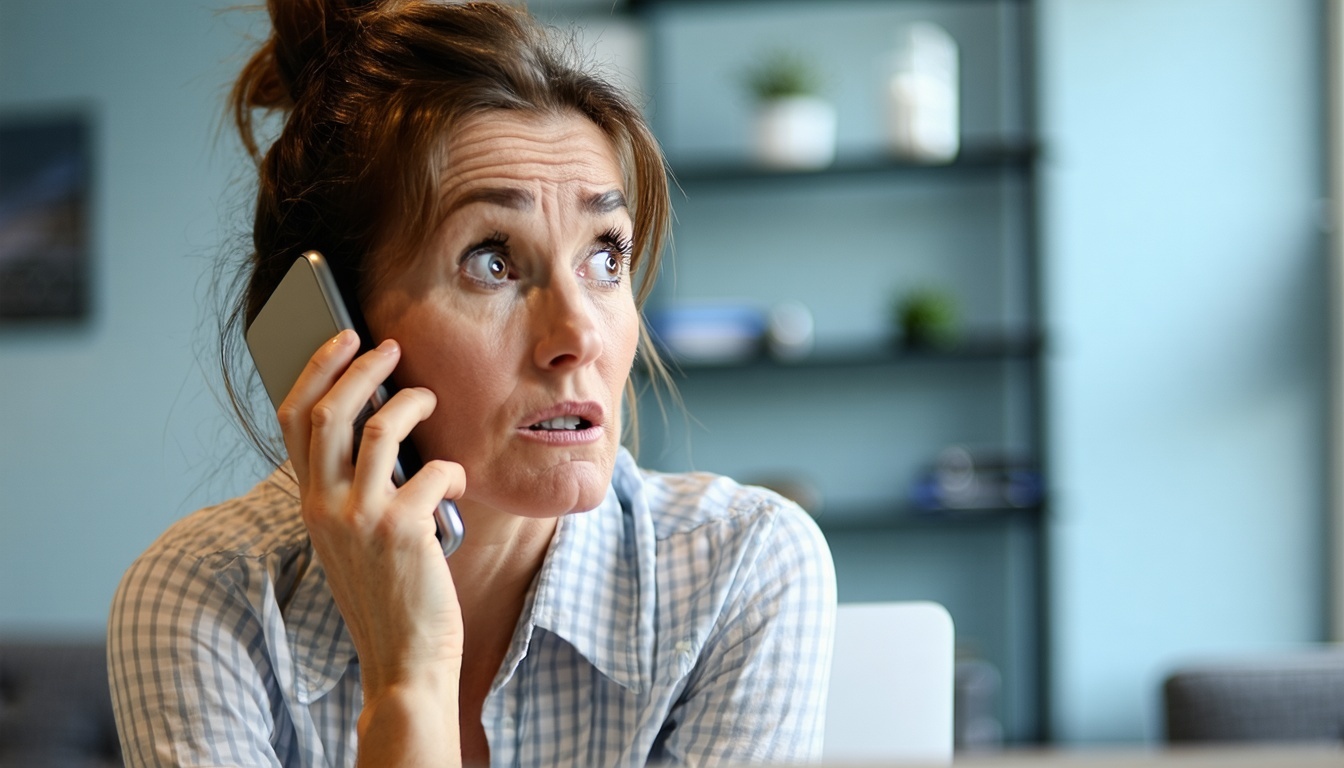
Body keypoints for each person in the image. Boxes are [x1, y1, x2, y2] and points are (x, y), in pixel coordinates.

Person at [107, 2, 836, 766]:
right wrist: (408, 685)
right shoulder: (204, 602)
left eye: (605, 257)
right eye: (492, 260)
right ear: (339, 330)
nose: (580, 335)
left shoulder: (740, 569)